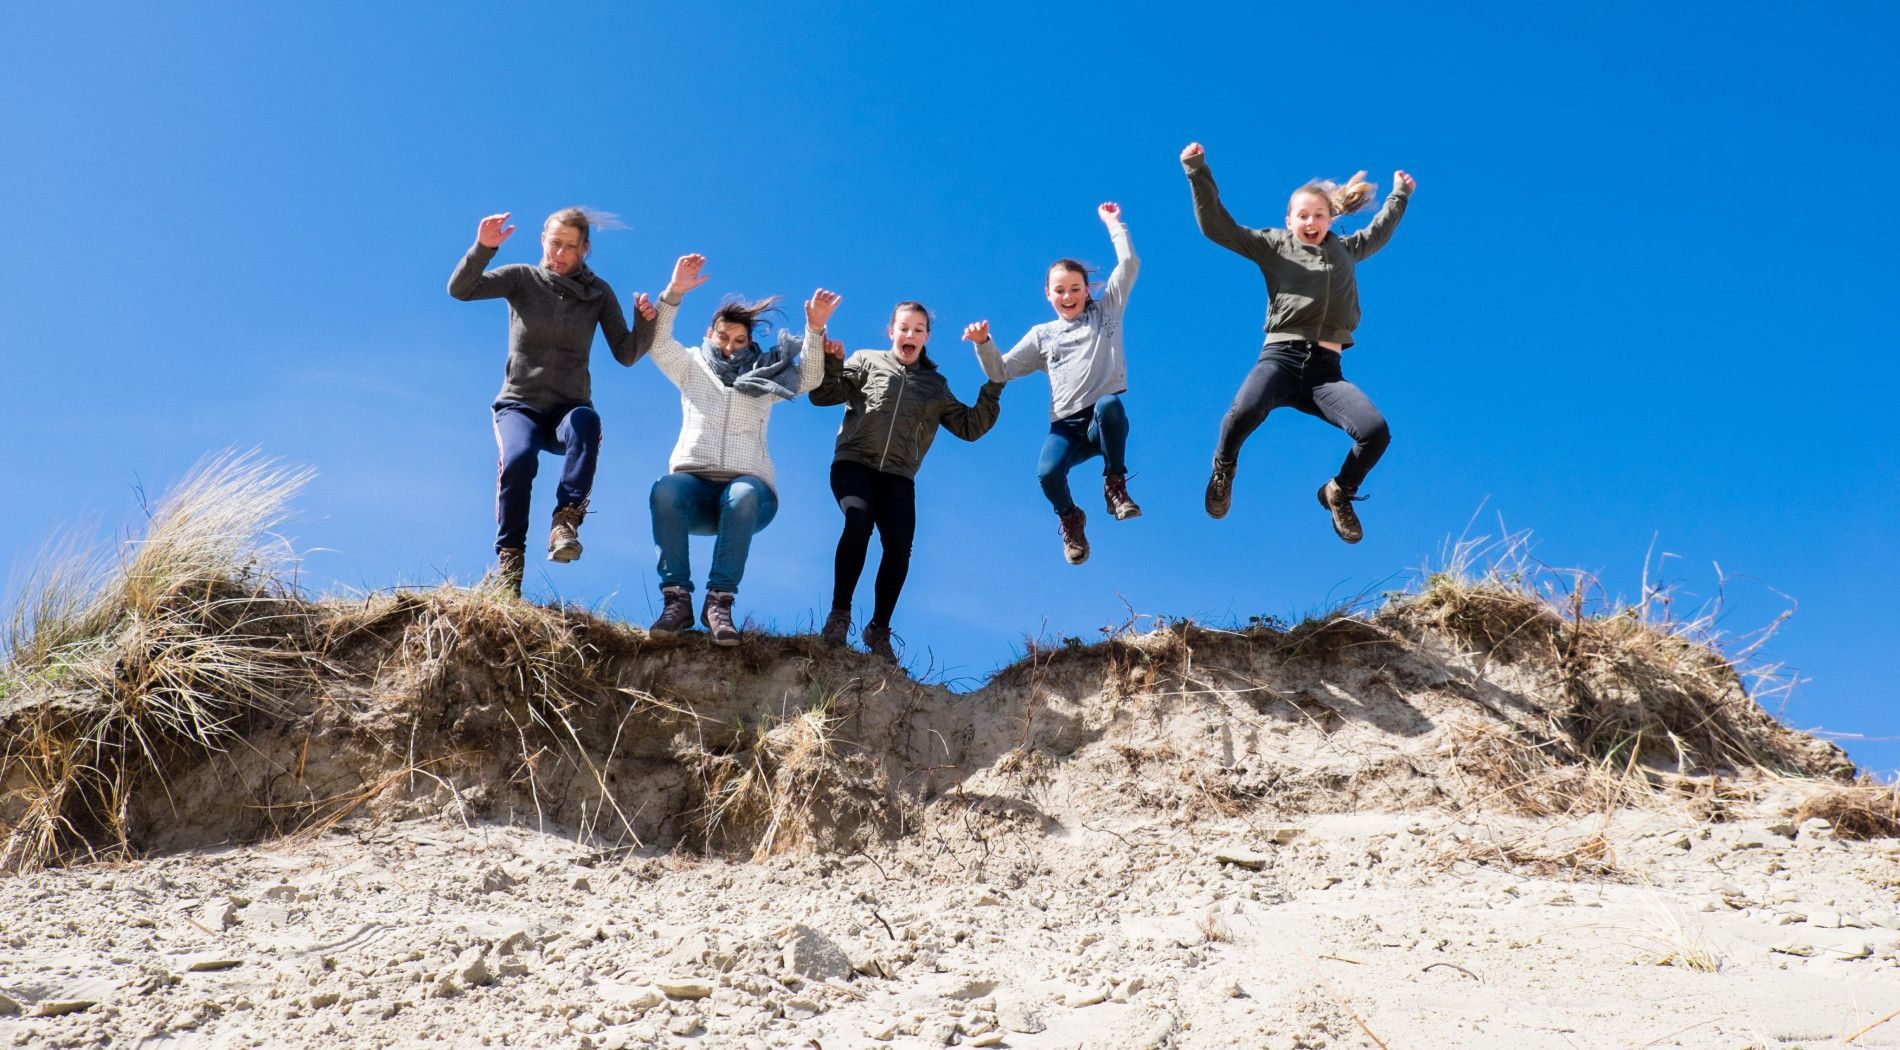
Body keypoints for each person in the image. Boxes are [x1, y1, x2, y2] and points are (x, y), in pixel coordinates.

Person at [1180, 142, 1415, 543]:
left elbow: (1379, 232)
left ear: (1330, 218)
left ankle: (1339, 492)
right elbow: (1216, 226)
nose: (1311, 221)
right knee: (1244, 410)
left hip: (1326, 373)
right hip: (1281, 359)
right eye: (1302, 215)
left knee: (1375, 432)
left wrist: (1399, 196)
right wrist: (1196, 170)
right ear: (1289, 220)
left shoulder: (1345, 250)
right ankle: (1223, 467)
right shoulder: (1273, 246)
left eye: (1319, 215)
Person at [448, 207, 657, 597]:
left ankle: (566, 522)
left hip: (567, 408)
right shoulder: (521, 279)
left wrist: (646, 323)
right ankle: (510, 565)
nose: (560, 252)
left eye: (570, 247)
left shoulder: (598, 293)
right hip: (519, 405)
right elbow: (461, 290)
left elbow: (627, 353)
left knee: (586, 424)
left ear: (585, 249)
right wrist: (483, 249)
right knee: (518, 459)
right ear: (542, 240)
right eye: (554, 243)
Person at [643, 253, 839, 645]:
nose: (731, 347)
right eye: (723, 337)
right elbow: (658, 343)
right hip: (694, 490)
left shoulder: (766, 377)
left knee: (743, 492)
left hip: (750, 497)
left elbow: (811, 377)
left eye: (740, 341)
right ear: (710, 334)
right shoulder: (691, 366)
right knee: (664, 489)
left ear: (750, 343)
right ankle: (677, 601)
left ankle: (720, 602)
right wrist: (674, 292)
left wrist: (815, 329)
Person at [810, 302, 1004, 663]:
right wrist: (833, 363)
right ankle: (839, 616)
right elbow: (823, 396)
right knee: (858, 521)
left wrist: (994, 385)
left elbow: (970, 427)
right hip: (853, 463)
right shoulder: (867, 360)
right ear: (891, 332)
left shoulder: (935, 386)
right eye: (904, 328)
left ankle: (878, 630)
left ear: (927, 337)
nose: (910, 335)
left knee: (899, 546)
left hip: (899, 475)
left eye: (918, 329)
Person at [967, 201, 1141, 566]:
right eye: (1059, 290)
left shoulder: (1106, 311)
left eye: (1075, 289)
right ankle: (1071, 519)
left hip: (1101, 426)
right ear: (1048, 293)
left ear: (1087, 290)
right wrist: (984, 343)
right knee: (1047, 474)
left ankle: (1115, 485)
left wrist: (1114, 224)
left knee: (1111, 404)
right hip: (1066, 427)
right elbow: (1000, 371)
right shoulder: (1042, 335)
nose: (1068, 297)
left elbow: (1128, 265)